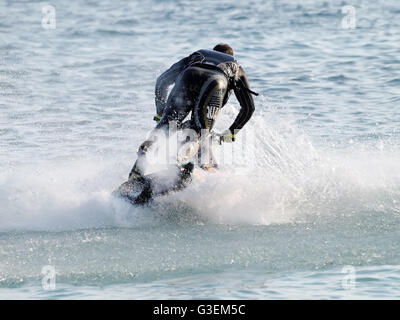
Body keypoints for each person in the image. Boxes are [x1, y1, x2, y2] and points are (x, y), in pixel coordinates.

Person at [129, 43, 257, 179]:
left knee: (165, 126)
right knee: (198, 134)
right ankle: (177, 163)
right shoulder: (235, 66)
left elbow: (162, 81)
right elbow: (249, 107)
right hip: (215, 81)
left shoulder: (199, 55)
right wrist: (232, 132)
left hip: (189, 75)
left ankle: (140, 164)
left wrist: (161, 113)